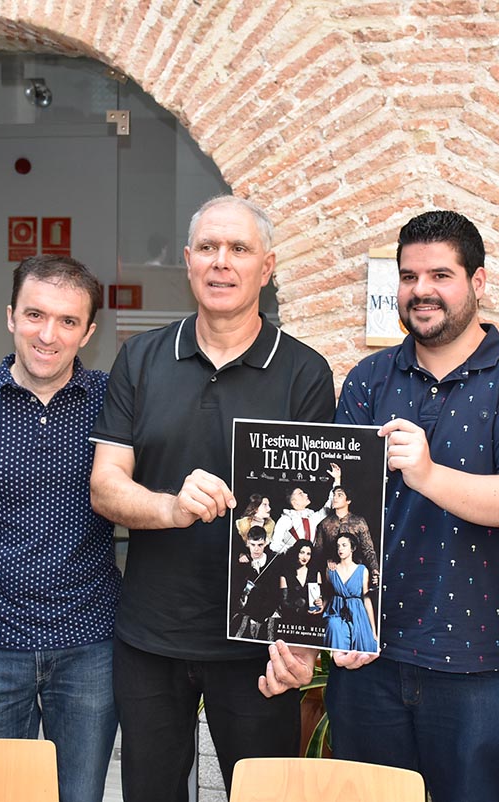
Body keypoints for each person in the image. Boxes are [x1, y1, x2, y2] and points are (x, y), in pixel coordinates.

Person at [88, 195, 335, 801]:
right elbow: (105, 486)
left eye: (239, 249)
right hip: (151, 636)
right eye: (208, 248)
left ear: (267, 267)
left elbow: (321, 515)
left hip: (259, 644)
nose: (222, 263)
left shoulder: (304, 372)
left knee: (263, 796)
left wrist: (302, 642)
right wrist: (171, 507)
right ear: (188, 261)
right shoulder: (141, 359)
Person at [327, 210, 499, 802]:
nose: (421, 291)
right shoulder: (369, 378)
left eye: (440, 275)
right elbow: (339, 516)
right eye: (408, 277)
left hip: (478, 664)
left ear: (477, 284)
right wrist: (339, 623)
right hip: (369, 655)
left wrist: (428, 473)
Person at [0, 254, 121, 802]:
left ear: (89, 331)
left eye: (68, 321)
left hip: (89, 642)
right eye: (35, 315)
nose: (49, 334)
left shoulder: (113, 400)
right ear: (10, 317)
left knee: (80, 797)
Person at [313, 484, 378, 586]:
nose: (335, 498)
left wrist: (375, 569)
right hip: (333, 574)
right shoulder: (325, 523)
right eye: (334, 495)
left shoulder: (359, 522)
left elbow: (368, 549)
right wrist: (327, 561)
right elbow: (318, 552)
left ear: (348, 501)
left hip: (355, 573)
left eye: (339, 495)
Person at [323, 534, 379, 652]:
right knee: (334, 626)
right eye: (338, 546)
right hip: (336, 611)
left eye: (344, 545)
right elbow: (327, 594)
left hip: (358, 613)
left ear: (352, 548)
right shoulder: (330, 570)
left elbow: (367, 599)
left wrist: (373, 631)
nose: (340, 549)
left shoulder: (362, 570)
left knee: (365, 645)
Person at [270, 462, 340, 555]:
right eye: (300, 494)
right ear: (294, 502)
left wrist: (337, 480)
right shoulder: (286, 519)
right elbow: (274, 545)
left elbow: (329, 505)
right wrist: (295, 551)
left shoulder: (311, 517)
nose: (306, 494)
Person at [230, 526, 283, 641]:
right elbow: (236, 594)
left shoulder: (274, 562)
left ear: (266, 543)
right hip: (247, 611)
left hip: (268, 611)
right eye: (253, 545)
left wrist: (261, 617)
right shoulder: (242, 563)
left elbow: (275, 594)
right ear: (247, 543)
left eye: (260, 545)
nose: (256, 549)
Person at [278, 541, 324, 631]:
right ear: (295, 553)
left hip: (313, 618)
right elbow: (284, 603)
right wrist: (302, 610)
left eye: (308, 554)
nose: (305, 557)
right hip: (291, 619)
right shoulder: (285, 574)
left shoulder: (315, 573)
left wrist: (320, 604)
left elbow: (319, 597)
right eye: (302, 552)